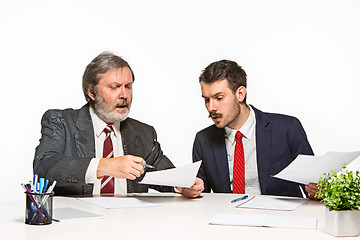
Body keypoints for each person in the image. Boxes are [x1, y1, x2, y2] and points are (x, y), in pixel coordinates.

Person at [33, 51, 203, 198]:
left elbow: (163, 174)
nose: (124, 95)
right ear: (91, 92)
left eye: (128, 86)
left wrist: (182, 185)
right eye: (115, 87)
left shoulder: (144, 133)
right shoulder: (61, 122)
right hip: (78, 224)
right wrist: (106, 166)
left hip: (129, 225)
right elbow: (45, 167)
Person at [192, 59, 319, 199]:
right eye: (206, 100)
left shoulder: (287, 129)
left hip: (280, 218)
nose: (211, 107)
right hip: (228, 217)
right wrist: (191, 189)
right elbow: (200, 192)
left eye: (219, 98)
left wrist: (317, 191)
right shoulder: (203, 140)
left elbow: (312, 186)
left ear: (240, 94)